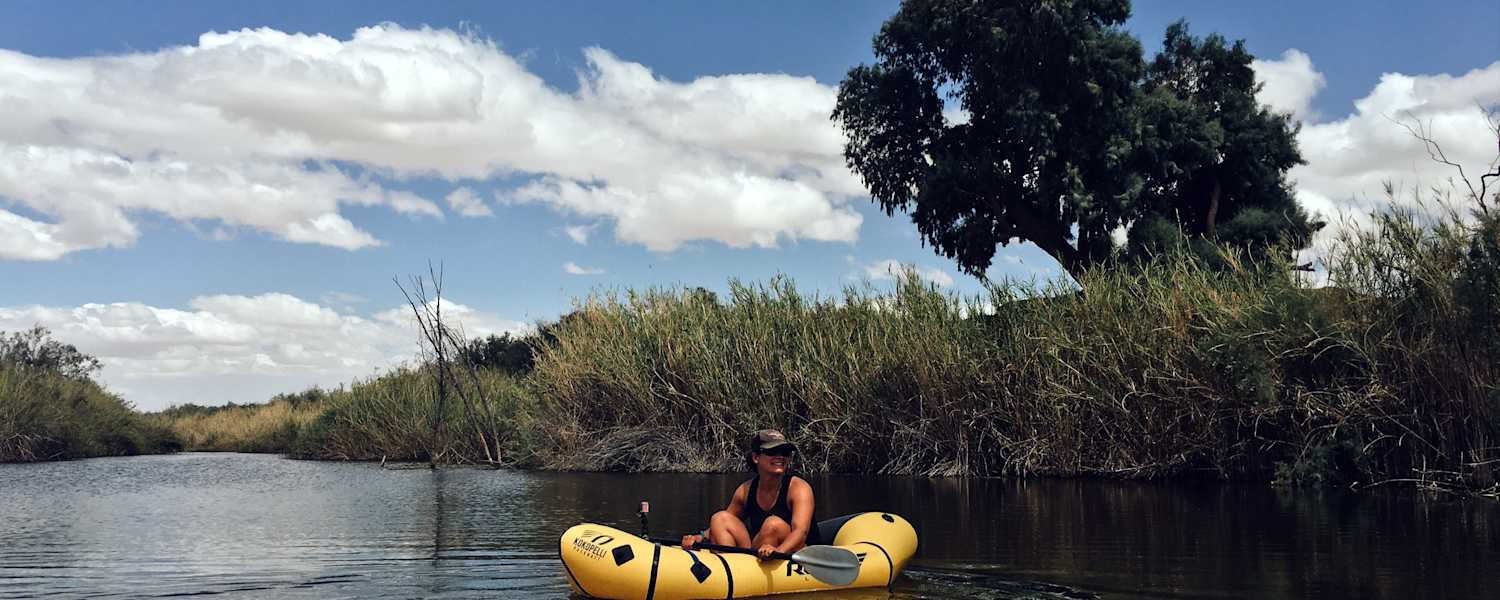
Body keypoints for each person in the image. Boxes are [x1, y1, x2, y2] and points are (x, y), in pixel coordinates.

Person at [682, 429, 820, 558]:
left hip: (796, 552)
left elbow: (801, 532)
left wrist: (778, 551)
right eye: (772, 451)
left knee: (773, 524)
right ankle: (731, 567)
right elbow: (723, 523)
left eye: (785, 452)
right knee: (719, 518)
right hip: (758, 549)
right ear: (756, 457)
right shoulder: (745, 490)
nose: (780, 457)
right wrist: (699, 537)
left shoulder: (799, 488)